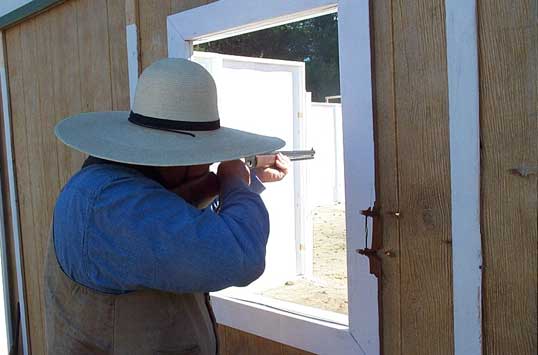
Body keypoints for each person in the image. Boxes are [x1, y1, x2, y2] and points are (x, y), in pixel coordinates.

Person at [44, 58, 290, 355]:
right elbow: (241, 254)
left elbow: (180, 228)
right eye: (206, 153)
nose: (210, 161)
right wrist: (234, 181)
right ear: (174, 156)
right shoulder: (112, 204)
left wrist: (248, 182)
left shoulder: (109, 189)